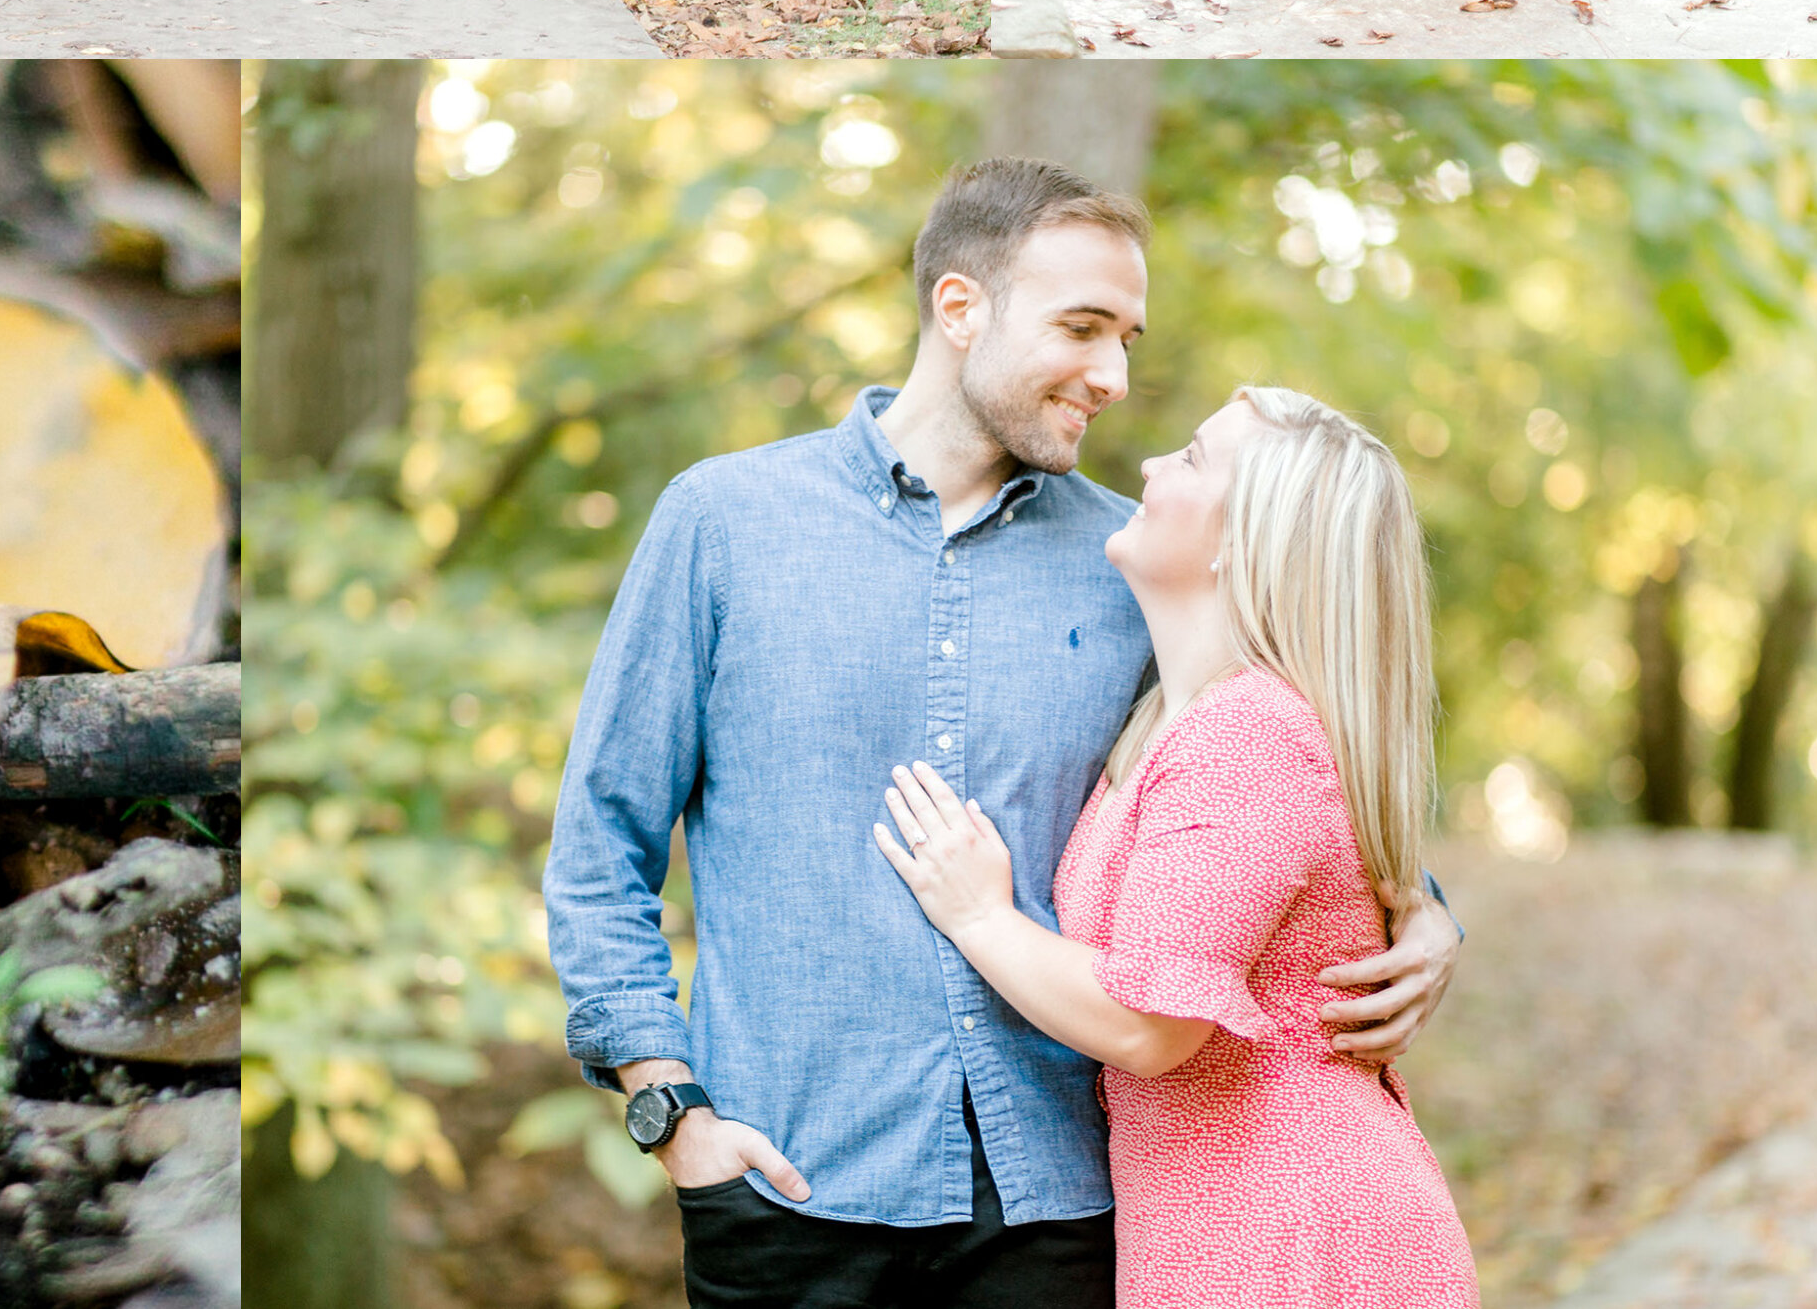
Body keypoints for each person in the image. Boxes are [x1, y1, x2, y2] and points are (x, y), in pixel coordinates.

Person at [544, 160, 1463, 1309]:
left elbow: (1270, 795)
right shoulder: (725, 523)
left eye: (1127, 335)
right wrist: (669, 1110)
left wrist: (1422, 908)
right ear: (959, 306)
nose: (1115, 374)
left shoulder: (1142, 560)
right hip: (787, 1184)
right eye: (1082, 327)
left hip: (1062, 1205)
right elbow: (598, 846)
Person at [876, 386, 1479, 1308]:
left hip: (1286, 1234)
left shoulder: (1251, 736)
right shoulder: (1174, 719)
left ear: (1246, 539)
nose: (1151, 467)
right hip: (1218, 1224)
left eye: (1192, 458)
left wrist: (980, 917)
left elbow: (1149, 1024)